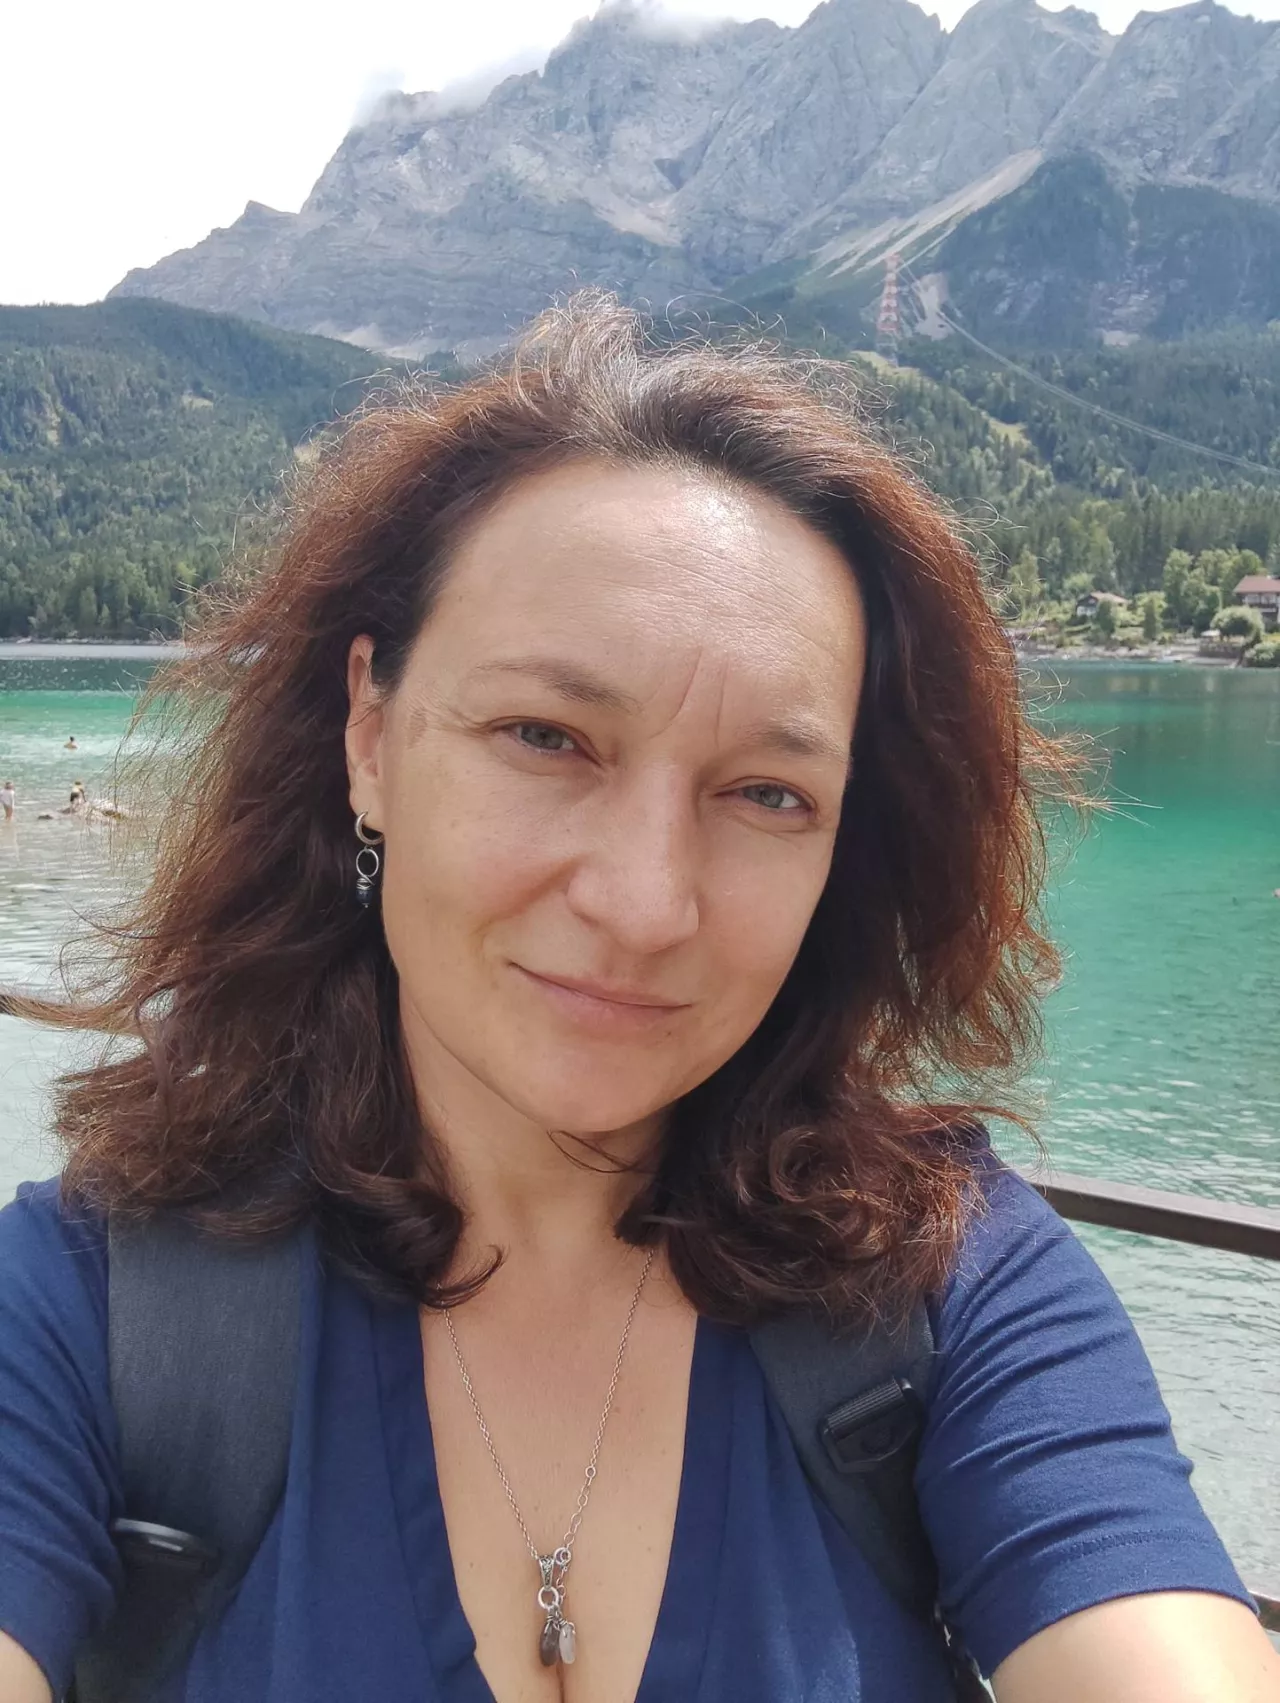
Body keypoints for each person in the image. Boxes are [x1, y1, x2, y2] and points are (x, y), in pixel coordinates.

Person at [2, 293, 1277, 1703]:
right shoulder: (86, 1311)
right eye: (546, 736)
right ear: (371, 732)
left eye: (768, 793)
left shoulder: (954, 1291)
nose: (647, 903)